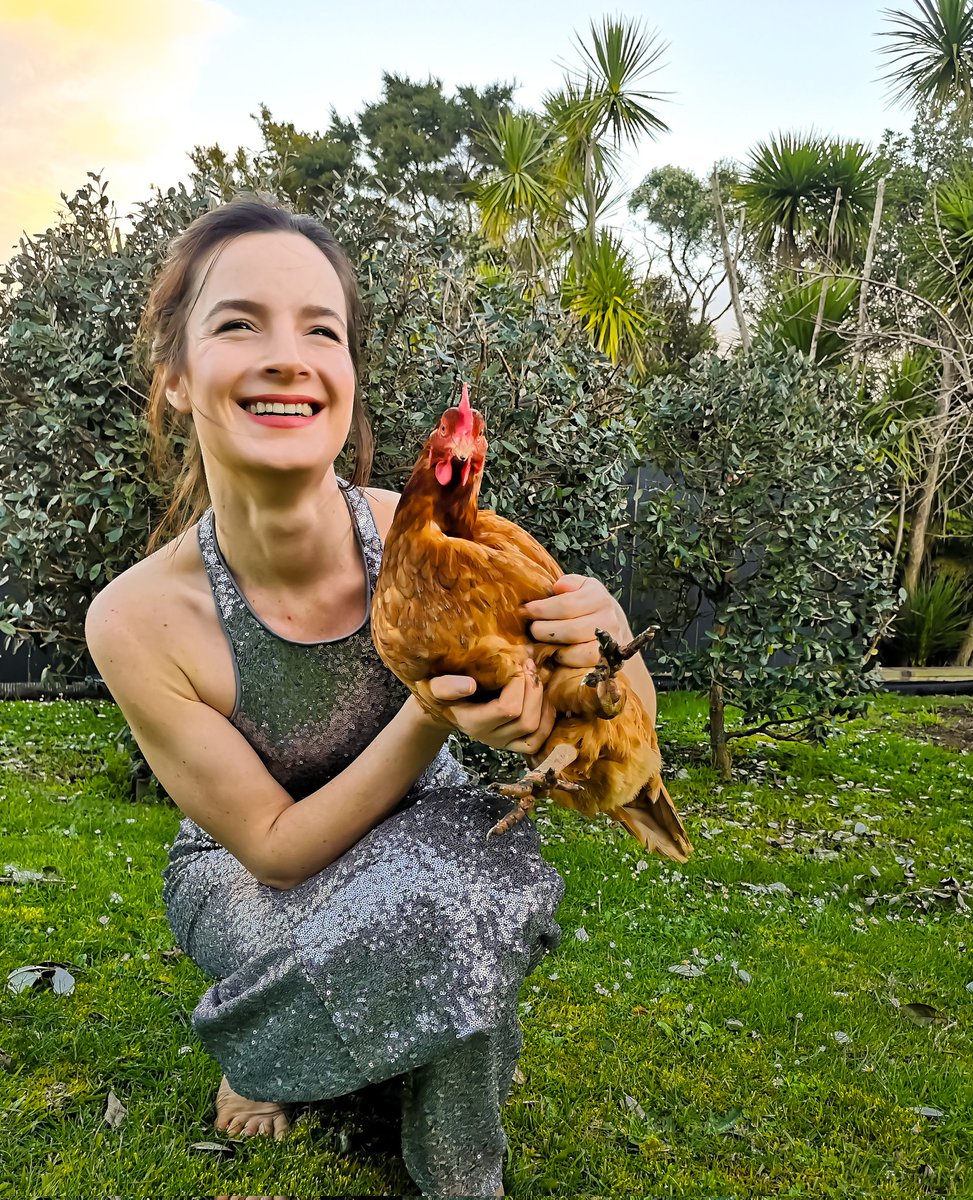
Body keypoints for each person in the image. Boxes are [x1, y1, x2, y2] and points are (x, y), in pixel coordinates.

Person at [85, 196, 657, 1198]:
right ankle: (263, 1033)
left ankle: (459, 1173)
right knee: (428, 947)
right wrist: (430, 713)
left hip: (427, 834)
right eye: (237, 323)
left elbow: (611, 698)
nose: (287, 355)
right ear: (174, 378)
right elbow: (269, 841)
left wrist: (604, 648)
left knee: (444, 902)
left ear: (346, 379)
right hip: (249, 870)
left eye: (321, 329)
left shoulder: (442, 539)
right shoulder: (138, 617)